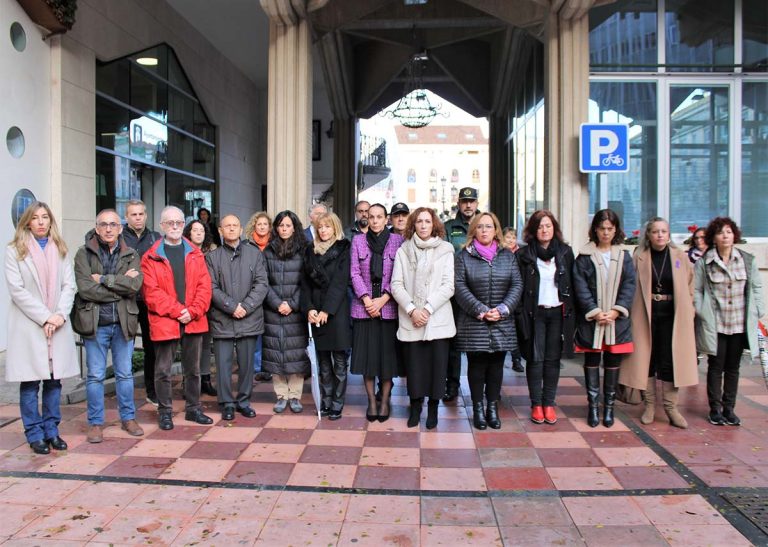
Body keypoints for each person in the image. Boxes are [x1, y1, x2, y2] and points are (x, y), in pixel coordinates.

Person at [5, 202, 79, 455]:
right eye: (35, 217)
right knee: (29, 384)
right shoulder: (14, 250)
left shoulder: (60, 249)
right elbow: (17, 291)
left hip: (56, 325)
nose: (40, 222)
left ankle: (51, 430)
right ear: (27, 222)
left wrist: (58, 316)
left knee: (54, 382)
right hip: (30, 325)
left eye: (45, 217)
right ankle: (34, 433)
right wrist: (46, 317)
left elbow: (69, 286)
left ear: (50, 221)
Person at [74, 209, 145, 443]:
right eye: (103, 224)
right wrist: (118, 290)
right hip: (96, 324)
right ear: (96, 228)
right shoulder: (83, 254)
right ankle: (95, 423)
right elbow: (86, 289)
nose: (108, 229)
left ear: (120, 228)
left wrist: (104, 279)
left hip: (123, 323)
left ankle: (128, 418)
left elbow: (134, 286)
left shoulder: (131, 254)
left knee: (125, 374)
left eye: (113, 224)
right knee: (95, 376)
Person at [620, 217, 698, 429]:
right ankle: (650, 406)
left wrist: (690, 310)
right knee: (647, 359)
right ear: (649, 235)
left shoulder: (680, 257)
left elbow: (691, 285)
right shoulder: (639, 256)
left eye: (664, 231)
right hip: (645, 314)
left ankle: (671, 407)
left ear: (669, 234)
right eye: (656, 231)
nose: (660, 235)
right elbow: (629, 284)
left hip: (673, 316)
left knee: (671, 360)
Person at [141, 206, 214, 430]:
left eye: (179, 222)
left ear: (184, 225)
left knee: (193, 370)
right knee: (163, 370)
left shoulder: (195, 253)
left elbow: (205, 287)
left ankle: (193, 409)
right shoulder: (151, 256)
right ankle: (165, 412)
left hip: (193, 319)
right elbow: (151, 293)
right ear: (161, 226)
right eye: (169, 222)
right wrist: (179, 311)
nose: (174, 226)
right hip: (165, 320)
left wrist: (192, 311)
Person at [454, 212, 522, 430]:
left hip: (501, 321)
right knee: (476, 366)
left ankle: (492, 408)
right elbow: (459, 286)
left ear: (496, 230)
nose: (484, 230)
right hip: (474, 322)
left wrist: (502, 310)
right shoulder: (464, 256)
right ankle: (477, 409)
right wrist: (482, 311)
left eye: (489, 226)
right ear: (474, 230)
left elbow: (516, 285)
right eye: (480, 226)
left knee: (496, 367)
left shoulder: (507, 256)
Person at [695, 217, 764, 426]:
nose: (725, 236)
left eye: (729, 231)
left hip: (739, 323)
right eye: (720, 232)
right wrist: (702, 312)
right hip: (715, 324)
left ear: (735, 235)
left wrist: (759, 310)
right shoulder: (704, 263)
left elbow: (756, 287)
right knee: (716, 366)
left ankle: (729, 409)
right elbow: (696, 290)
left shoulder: (747, 260)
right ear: (713, 238)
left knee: (733, 367)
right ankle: (715, 409)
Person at [391, 208, 455, 429]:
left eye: (428, 221)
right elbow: (396, 284)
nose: (424, 225)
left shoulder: (446, 250)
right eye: (419, 221)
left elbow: (448, 285)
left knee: (438, 367)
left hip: (437, 318)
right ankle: (416, 406)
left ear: (434, 224)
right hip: (411, 318)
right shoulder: (403, 250)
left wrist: (427, 309)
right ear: (414, 225)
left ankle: (434, 408)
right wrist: (412, 310)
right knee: (414, 367)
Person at [572, 209, 636, 428]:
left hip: (616, 321)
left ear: (616, 230)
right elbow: (580, 286)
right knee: (591, 360)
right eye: (602, 228)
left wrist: (617, 311)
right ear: (595, 230)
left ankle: (609, 408)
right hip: (593, 320)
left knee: (612, 361)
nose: (606, 233)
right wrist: (595, 311)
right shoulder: (584, 256)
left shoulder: (624, 255)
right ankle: (593, 406)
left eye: (610, 228)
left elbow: (629, 285)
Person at [206, 214, 268, 420]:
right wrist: (232, 307)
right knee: (223, 365)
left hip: (249, 318)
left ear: (241, 230)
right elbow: (211, 287)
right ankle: (226, 403)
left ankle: (243, 401)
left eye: (235, 225)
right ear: (220, 231)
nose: (231, 229)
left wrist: (246, 306)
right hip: (222, 318)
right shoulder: (212, 257)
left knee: (247, 365)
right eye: (227, 226)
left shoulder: (254, 254)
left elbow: (262, 284)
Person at [516, 211, 575, 425]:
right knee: (535, 358)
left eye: (548, 226)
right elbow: (518, 286)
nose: (544, 230)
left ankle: (548, 403)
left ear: (554, 228)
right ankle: (536, 404)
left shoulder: (565, 252)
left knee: (552, 359)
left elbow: (572, 284)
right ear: (533, 230)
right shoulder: (524, 254)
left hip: (558, 312)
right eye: (540, 226)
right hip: (534, 313)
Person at [350, 203, 404, 422]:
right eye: (371, 216)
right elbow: (354, 273)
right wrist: (366, 299)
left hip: (388, 307)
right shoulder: (358, 241)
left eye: (379, 217)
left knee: (387, 360)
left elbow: (400, 274)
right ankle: (372, 401)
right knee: (367, 359)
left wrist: (382, 300)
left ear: (386, 219)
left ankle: (385, 400)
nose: (374, 220)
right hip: (363, 308)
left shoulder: (397, 241)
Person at [301, 212, 352, 420]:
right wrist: (309, 308)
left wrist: (326, 311)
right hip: (316, 311)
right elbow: (304, 283)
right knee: (322, 362)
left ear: (335, 228)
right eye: (320, 227)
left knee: (339, 362)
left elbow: (340, 282)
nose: (323, 230)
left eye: (327, 227)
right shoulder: (309, 250)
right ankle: (326, 401)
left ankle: (337, 403)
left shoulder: (344, 248)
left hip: (336, 312)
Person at [263, 210, 310, 413]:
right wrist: (276, 303)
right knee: (276, 353)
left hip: (296, 311)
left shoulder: (304, 250)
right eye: (281, 225)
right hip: (273, 311)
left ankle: (295, 396)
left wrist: (291, 304)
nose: (284, 229)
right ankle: (281, 395)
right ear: (276, 228)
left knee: (296, 355)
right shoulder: (268, 251)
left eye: (288, 225)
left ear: (294, 228)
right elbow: (262, 281)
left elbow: (306, 282)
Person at [443, 186, 480, 401]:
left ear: (476, 203)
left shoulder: (485, 224)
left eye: (471, 201)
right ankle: (452, 385)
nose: (468, 205)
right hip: (456, 293)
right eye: (464, 201)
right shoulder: (449, 227)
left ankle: (481, 388)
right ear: (458, 204)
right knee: (454, 343)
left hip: (481, 292)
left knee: (479, 343)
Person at [122, 199, 161, 405]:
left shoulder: (155, 238)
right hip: (126, 300)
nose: (137, 218)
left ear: (145, 215)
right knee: (124, 348)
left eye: (140, 214)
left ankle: (152, 390)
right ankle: (125, 395)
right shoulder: (119, 238)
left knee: (151, 348)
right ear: (126, 217)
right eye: (133, 214)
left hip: (148, 300)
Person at [182, 220, 218, 396]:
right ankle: (188, 382)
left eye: (201, 230)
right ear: (188, 233)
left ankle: (205, 379)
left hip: (209, 304)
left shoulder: (212, 252)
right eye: (194, 230)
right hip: (189, 306)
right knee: (189, 346)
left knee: (205, 345)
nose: (198, 233)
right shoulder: (182, 251)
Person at [245, 211, 272, 382]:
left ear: (270, 227)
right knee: (256, 334)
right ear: (254, 226)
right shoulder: (247, 245)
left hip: (272, 293)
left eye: (265, 224)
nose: (262, 227)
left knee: (269, 332)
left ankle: (268, 366)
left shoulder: (275, 244)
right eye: (259, 224)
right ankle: (256, 368)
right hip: (253, 293)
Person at [503, 226, 524, 373]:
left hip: (516, 297)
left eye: (513, 237)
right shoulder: (499, 253)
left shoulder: (521, 254)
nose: (511, 240)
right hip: (502, 296)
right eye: (508, 237)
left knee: (515, 330)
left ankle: (516, 359)